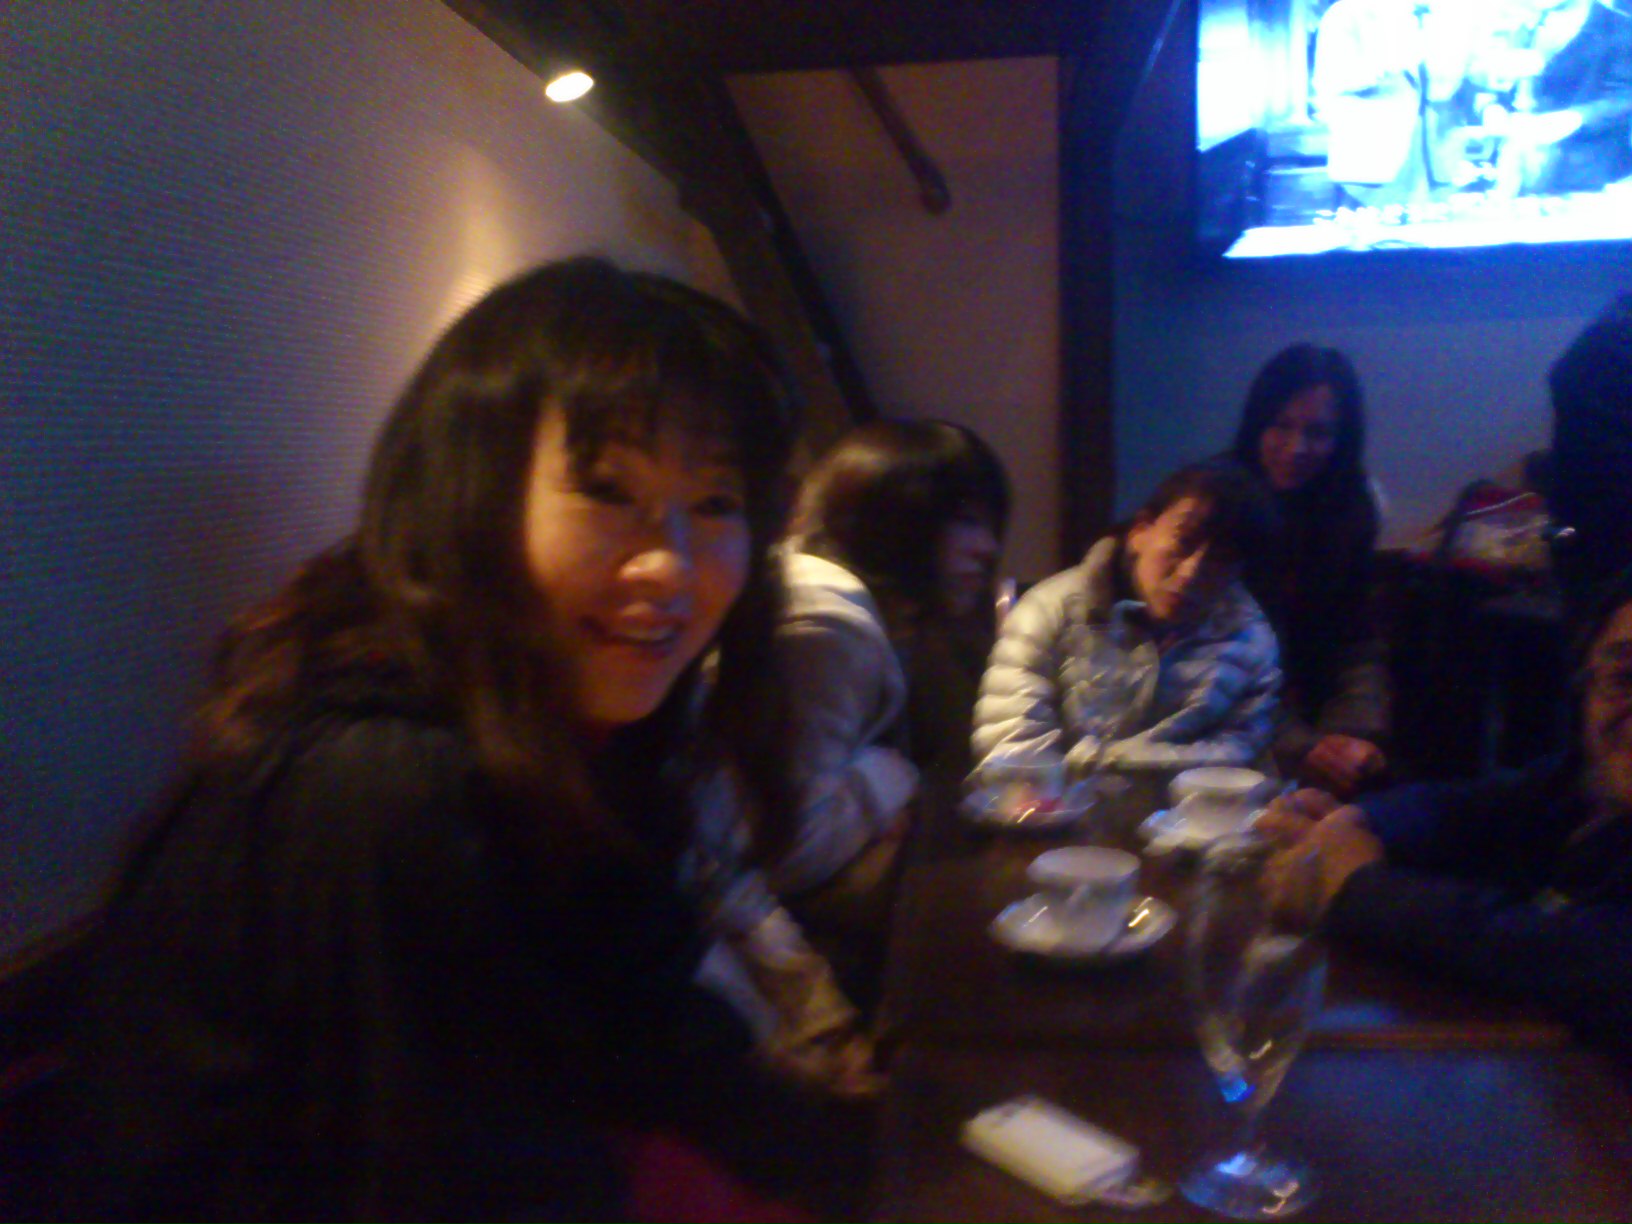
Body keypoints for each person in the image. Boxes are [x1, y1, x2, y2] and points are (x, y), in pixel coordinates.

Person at [53, 258, 871, 1223]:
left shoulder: (592, 726)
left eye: (717, 504)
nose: (671, 566)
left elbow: (639, 1011)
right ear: (471, 496)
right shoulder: (375, 786)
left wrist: (854, 1153)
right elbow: (446, 1178)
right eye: (607, 488)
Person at [1259, 564, 1632, 1059]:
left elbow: (1568, 955)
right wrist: (1352, 823)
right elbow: (1469, 809)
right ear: (1585, 682)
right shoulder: (1582, 782)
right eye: (1624, 677)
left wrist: (1359, 887)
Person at [771, 420, 1008, 977]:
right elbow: (792, 852)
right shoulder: (825, 625)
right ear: (892, 516)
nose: (990, 548)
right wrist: (893, 775)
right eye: (967, 520)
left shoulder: (889, 615)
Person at [972, 460, 1281, 778]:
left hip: (1195, 809)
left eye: (1221, 560)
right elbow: (1013, 749)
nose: (1192, 573)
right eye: (1184, 541)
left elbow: (1243, 751)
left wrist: (1113, 760)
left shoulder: (1248, 638)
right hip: (1060, 807)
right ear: (1140, 530)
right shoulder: (1050, 610)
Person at [1229, 342, 1392, 798]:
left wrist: (1351, 736)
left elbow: (1359, 644)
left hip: (1315, 721)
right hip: (1224, 727)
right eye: (1281, 425)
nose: (1296, 448)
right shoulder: (1221, 502)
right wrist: (1300, 746)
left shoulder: (1353, 507)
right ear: (1257, 423)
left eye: (1317, 432)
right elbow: (1210, 660)